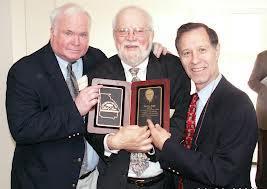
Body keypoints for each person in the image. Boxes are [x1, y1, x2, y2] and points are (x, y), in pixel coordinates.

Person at [5, 3, 169, 189]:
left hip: (93, 179)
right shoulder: (24, 71)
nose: (76, 41)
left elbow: (126, 65)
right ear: (52, 32)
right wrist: (75, 109)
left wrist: (150, 49)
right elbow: (23, 129)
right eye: (69, 33)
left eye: (83, 34)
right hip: (46, 181)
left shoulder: (96, 59)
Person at [86, 6, 191, 189]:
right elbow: (90, 126)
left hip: (164, 180)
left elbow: (182, 115)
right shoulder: (99, 74)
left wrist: (151, 143)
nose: (131, 36)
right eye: (123, 30)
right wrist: (111, 142)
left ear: (151, 35)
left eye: (139, 30)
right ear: (114, 35)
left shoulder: (173, 68)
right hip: (115, 182)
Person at [147, 22, 258, 189]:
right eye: (186, 53)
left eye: (202, 50)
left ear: (217, 50)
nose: (195, 60)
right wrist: (149, 54)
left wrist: (167, 146)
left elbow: (222, 173)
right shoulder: (187, 103)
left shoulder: (239, 105)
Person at [248, 50, 267, 189]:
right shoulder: (263, 56)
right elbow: (252, 81)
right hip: (265, 115)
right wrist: (265, 91)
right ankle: (261, 184)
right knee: (264, 155)